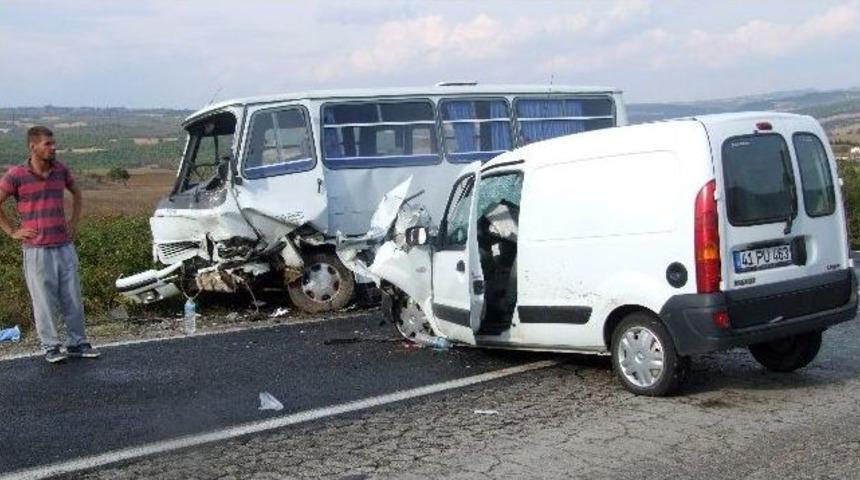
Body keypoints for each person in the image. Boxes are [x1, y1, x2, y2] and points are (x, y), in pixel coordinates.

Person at [0, 126, 100, 363]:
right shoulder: (16, 175)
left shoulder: (60, 170)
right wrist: (13, 231)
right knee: (43, 300)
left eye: (53, 143)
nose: (53, 148)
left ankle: (77, 343)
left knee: (72, 296)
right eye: (48, 144)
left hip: (64, 245)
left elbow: (77, 193)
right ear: (33, 146)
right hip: (36, 249)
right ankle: (51, 346)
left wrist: (74, 221)